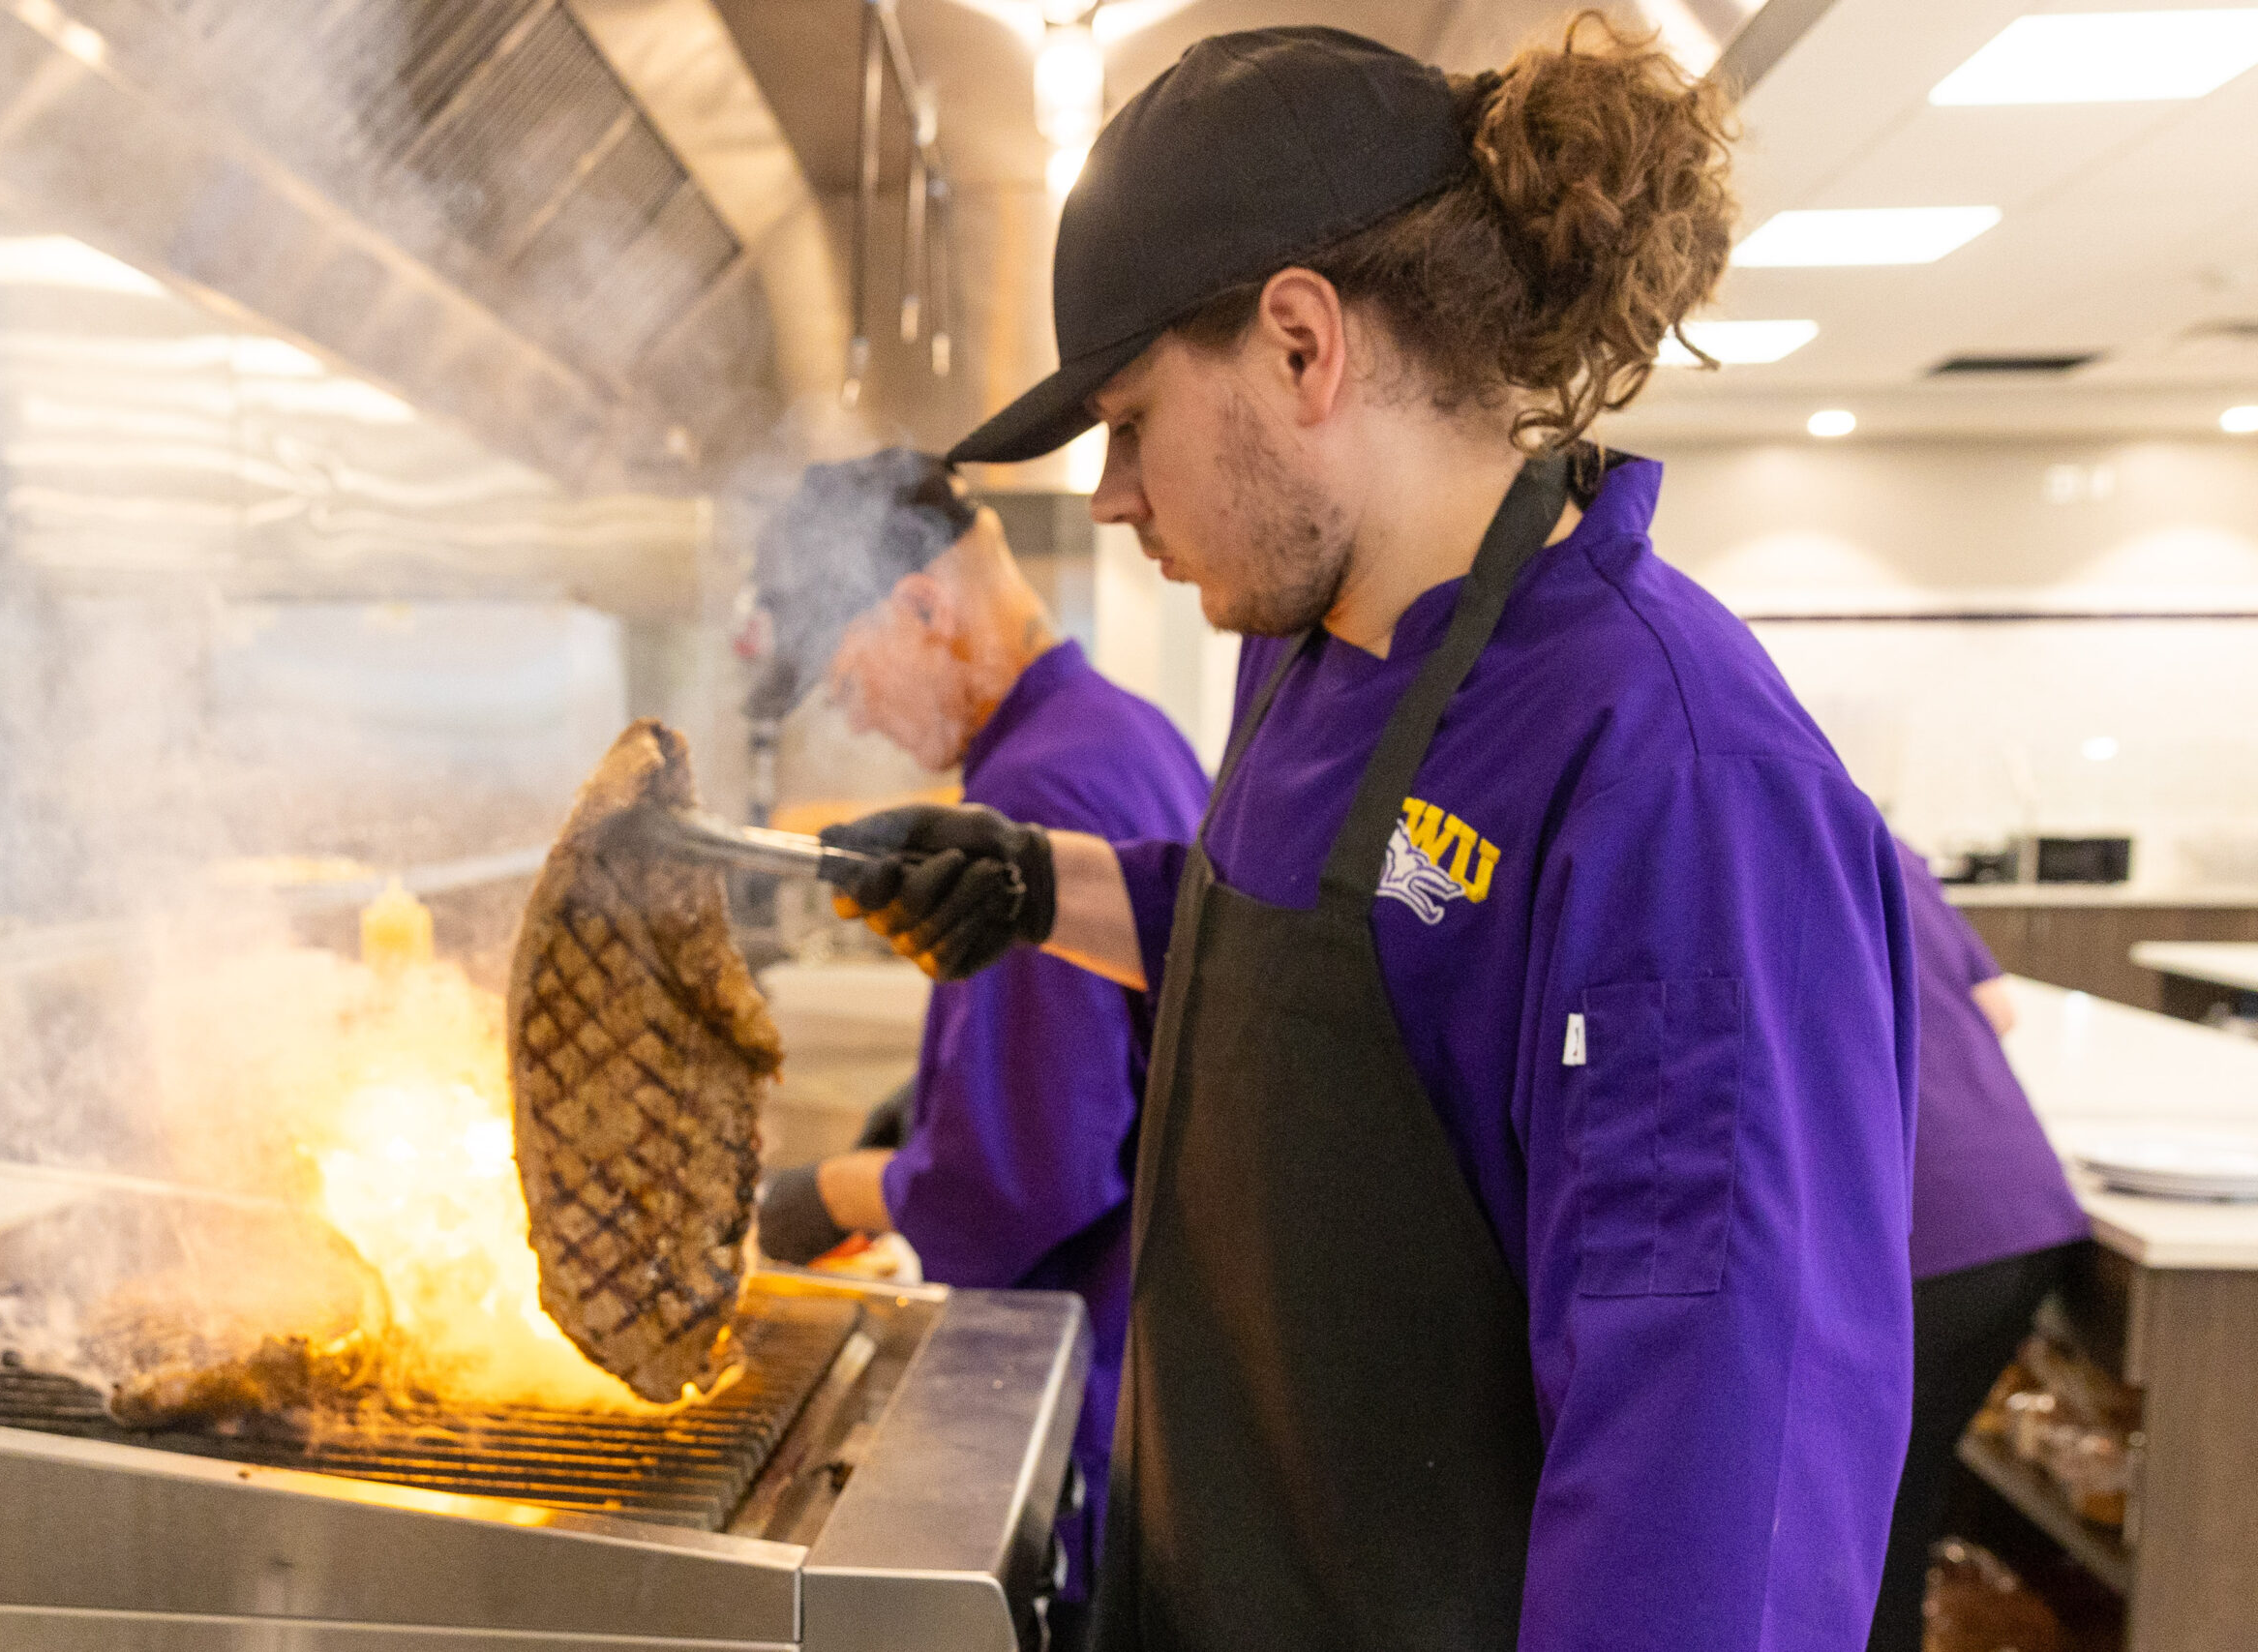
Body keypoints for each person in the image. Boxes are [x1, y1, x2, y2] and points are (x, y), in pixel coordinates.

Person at [819, 22, 1919, 1652]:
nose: (1112, 497)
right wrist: (1040, 886)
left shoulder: (1671, 774)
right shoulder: (1306, 650)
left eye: (1129, 421)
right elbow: (1346, 966)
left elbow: (1715, 1453)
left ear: (1301, 347)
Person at [747, 449, 1209, 1640]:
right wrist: (929, 1101)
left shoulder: (1036, 793)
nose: (854, 716)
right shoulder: (1117, 730)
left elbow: (1026, 1176)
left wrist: (823, 1194)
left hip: (1097, 1395)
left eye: (847, 678)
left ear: (921, 606)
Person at [1870, 839, 2092, 1652]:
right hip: (2021, 1209)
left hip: (1933, 1230)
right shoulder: (1879, 841)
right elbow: (1998, 1007)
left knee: (1873, 1512)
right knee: (1900, 1496)